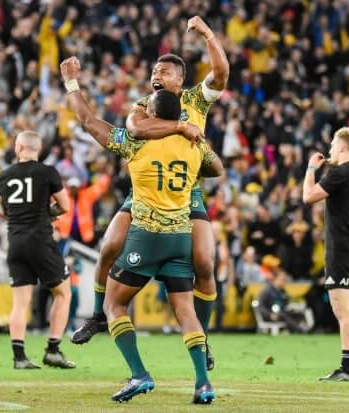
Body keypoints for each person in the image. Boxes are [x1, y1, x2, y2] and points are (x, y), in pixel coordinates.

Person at [71, 16, 230, 374]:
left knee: (205, 261)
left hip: (186, 191)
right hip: (146, 187)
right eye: (154, 69)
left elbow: (221, 72)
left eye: (164, 71)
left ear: (180, 79)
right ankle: (99, 314)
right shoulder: (145, 102)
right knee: (109, 246)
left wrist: (206, 33)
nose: (155, 74)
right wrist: (178, 128)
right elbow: (133, 128)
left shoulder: (196, 101)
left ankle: (201, 338)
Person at [0, 131, 75, 369]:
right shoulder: (47, 172)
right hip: (40, 239)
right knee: (63, 294)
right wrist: (45, 211)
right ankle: (52, 350)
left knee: (20, 303)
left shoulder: (5, 175)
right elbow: (65, 206)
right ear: (37, 149)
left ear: (18, 147)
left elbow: (4, 209)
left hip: (15, 241)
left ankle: (19, 357)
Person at [303, 127, 349, 381]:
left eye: (333, 144)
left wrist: (311, 169)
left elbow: (309, 196)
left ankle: (348, 369)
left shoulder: (340, 173)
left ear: (343, 147)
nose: (331, 149)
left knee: (343, 310)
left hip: (342, 249)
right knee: (348, 309)